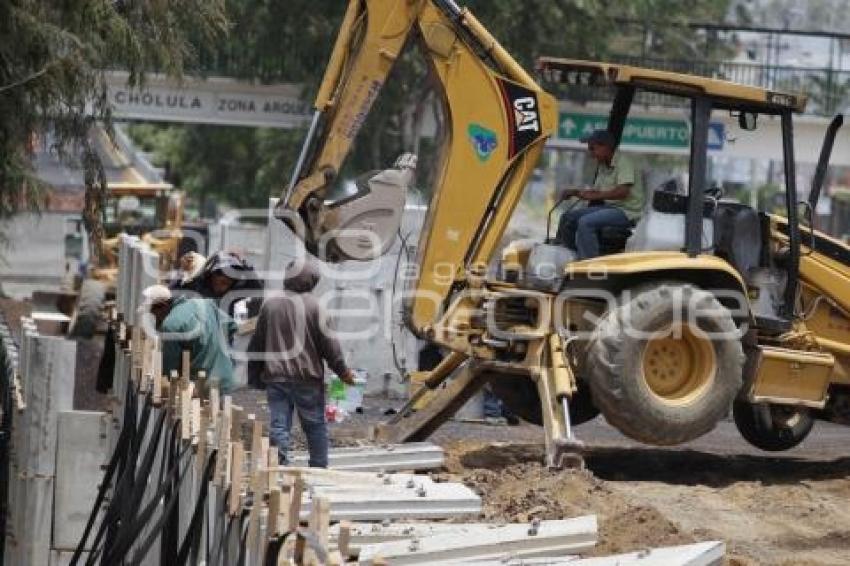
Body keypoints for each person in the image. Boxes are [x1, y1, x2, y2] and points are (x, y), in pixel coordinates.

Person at [247, 260, 355, 468]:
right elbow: (330, 347)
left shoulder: (271, 305)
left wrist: (255, 376)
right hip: (308, 379)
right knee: (314, 426)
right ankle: (319, 467)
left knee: (279, 425)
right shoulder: (316, 307)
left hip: (276, 378)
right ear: (312, 281)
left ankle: (278, 467)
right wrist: (343, 373)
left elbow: (257, 344)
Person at [555, 129, 643, 259]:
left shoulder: (624, 162)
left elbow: (623, 192)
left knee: (586, 222)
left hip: (627, 212)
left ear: (606, 147)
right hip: (610, 208)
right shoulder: (603, 165)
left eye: (592, 149)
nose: (591, 154)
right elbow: (596, 191)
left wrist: (595, 196)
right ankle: (569, 255)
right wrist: (575, 192)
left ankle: (589, 264)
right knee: (567, 217)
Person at [141, 284, 236, 392]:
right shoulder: (205, 303)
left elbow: (169, 369)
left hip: (200, 388)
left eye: (153, 313)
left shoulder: (170, 326)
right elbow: (232, 326)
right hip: (225, 379)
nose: (155, 318)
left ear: (162, 306)